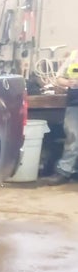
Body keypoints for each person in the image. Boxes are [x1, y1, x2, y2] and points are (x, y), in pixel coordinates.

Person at [42, 50, 78, 185]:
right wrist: (69, 83)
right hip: (74, 102)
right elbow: (59, 78)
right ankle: (64, 171)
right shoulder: (74, 55)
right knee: (73, 137)